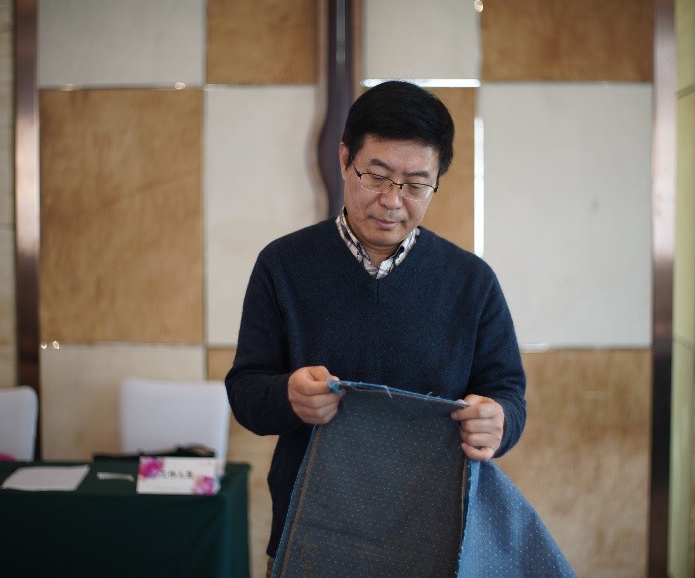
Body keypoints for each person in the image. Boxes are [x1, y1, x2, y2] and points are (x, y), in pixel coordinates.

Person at [225, 80, 526, 569]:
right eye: (377, 175)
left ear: (437, 181)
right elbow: (245, 390)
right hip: (312, 533)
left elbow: (507, 393)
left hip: (433, 533)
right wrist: (288, 397)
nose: (392, 200)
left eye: (415, 184)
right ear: (346, 159)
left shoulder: (471, 282)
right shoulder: (283, 265)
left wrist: (499, 421)